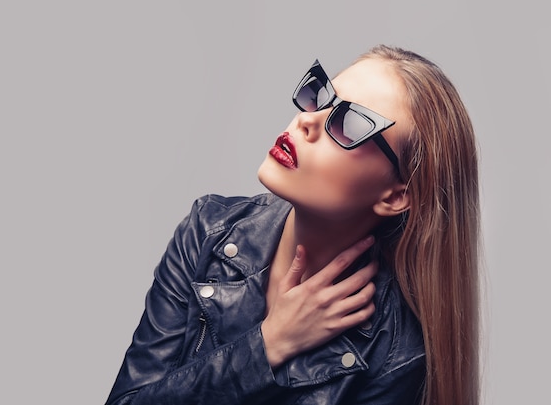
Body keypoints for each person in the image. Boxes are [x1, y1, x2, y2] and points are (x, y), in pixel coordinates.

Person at [104, 45, 480, 405]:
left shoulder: (397, 348)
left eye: (349, 123)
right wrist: (268, 345)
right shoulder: (209, 231)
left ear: (396, 196)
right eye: (321, 96)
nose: (307, 119)